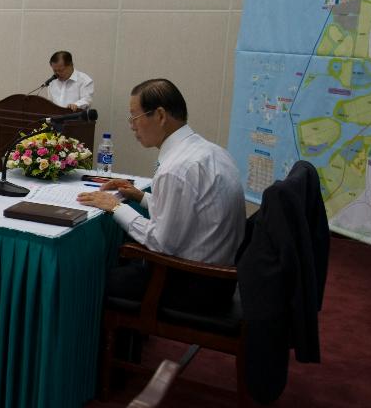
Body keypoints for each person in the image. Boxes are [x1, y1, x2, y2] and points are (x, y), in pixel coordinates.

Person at [77, 78, 245, 312]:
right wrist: (139, 196)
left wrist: (115, 206)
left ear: (160, 116)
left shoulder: (176, 168)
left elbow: (161, 242)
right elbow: (187, 211)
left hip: (194, 284)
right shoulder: (211, 151)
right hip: (220, 278)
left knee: (88, 281)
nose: (132, 126)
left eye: (134, 117)